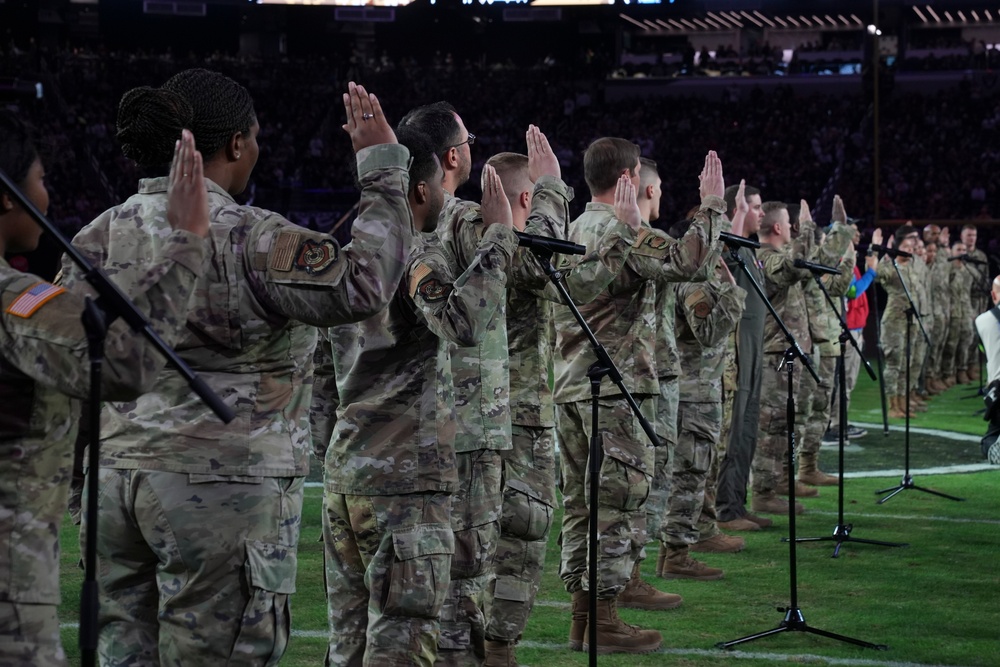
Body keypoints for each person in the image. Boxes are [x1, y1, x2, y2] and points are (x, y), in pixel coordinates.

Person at [59, 71, 413, 666]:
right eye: (255, 137)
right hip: (219, 488)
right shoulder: (251, 235)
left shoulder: (95, 235)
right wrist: (381, 169)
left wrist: (79, 484)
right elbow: (364, 285)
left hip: (114, 485)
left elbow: (69, 370)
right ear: (235, 146)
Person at [0, 115, 210, 666]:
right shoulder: (16, 303)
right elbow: (125, 365)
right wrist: (186, 240)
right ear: (7, 197)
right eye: (40, 178)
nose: (48, 194)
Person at [320, 127, 515, 667]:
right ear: (422, 192)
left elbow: (318, 373)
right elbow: (462, 321)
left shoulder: (343, 258)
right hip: (404, 480)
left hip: (346, 474)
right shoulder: (410, 257)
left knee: (349, 640)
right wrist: (500, 236)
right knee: (401, 638)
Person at [553, 144, 729, 654]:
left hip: (571, 385)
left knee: (581, 506)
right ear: (630, 178)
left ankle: (582, 618)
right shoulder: (623, 228)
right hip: (617, 387)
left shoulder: (575, 228)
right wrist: (712, 204)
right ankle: (604, 620)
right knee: (616, 505)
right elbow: (689, 262)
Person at [749, 200, 851, 516]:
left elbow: (817, 261)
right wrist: (808, 227)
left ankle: (777, 482)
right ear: (780, 227)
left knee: (784, 424)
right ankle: (763, 492)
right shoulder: (765, 258)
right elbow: (797, 265)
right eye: (791, 225)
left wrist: (840, 230)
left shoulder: (782, 256)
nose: (795, 230)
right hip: (774, 354)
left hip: (789, 352)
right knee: (772, 426)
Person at [659, 228, 746, 581]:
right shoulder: (691, 281)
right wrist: (732, 294)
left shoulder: (698, 277)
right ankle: (676, 555)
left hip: (701, 389)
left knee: (697, 472)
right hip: (692, 392)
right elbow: (708, 330)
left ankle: (683, 543)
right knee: (688, 474)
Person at [716, 182, 772, 532]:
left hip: (754, 349)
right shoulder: (730, 244)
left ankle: (738, 501)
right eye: (755, 206)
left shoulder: (751, 250)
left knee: (749, 428)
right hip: (737, 351)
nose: (761, 212)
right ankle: (725, 509)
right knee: (734, 431)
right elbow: (723, 252)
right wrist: (736, 213)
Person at [826, 226, 882, 442]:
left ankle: (838, 422)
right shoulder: (841, 263)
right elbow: (852, 292)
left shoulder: (847, 261)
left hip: (853, 330)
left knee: (844, 380)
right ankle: (836, 425)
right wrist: (871, 272)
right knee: (843, 381)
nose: (858, 236)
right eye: (853, 232)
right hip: (846, 332)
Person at [876, 230, 922, 419]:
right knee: (894, 364)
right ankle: (892, 404)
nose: (909, 250)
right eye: (905, 247)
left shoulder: (913, 266)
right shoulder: (891, 266)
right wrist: (883, 253)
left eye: (911, 247)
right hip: (894, 321)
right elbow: (878, 275)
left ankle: (903, 402)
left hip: (911, 322)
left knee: (906, 364)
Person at [975, 275, 1000, 464]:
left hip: (997, 390)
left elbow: (983, 349)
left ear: (994, 295)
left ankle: (993, 445)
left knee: (989, 438)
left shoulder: (981, 321)